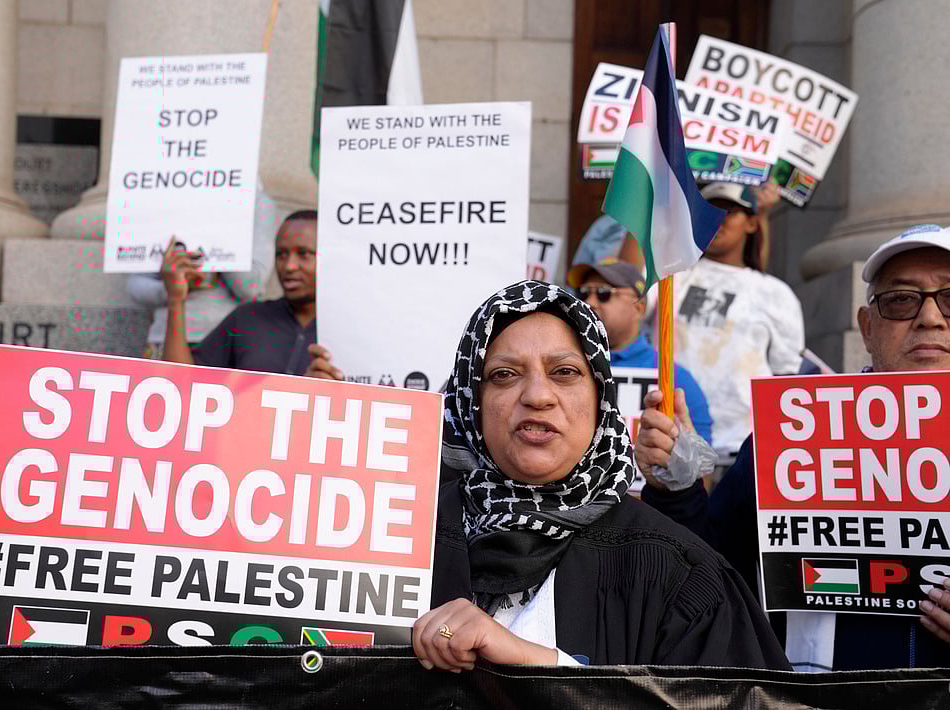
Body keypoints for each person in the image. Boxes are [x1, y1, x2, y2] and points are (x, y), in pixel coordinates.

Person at [310, 281, 789, 669]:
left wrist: (544, 667)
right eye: (503, 375)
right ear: (470, 403)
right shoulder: (390, 539)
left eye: (564, 372)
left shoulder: (678, 573)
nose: (537, 396)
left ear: (600, 397)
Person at [634, 224, 950, 670]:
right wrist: (678, 486)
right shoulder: (792, 433)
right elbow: (706, 581)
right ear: (867, 326)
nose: (930, 318)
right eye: (901, 299)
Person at [626, 182, 804, 460]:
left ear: (752, 223)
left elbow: (788, 380)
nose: (717, 219)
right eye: (708, 211)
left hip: (745, 450)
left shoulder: (777, 294)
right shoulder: (671, 274)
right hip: (671, 443)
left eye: (729, 211)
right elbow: (626, 293)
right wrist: (642, 204)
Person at [567, 257, 712, 445]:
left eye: (604, 293)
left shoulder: (674, 378)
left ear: (639, 307)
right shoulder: (561, 366)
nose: (589, 302)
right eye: (583, 293)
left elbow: (702, 469)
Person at [126, 187, 279, 358]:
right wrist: (172, 288)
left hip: (231, 346)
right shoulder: (162, 195)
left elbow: (250, 287)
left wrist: (217, 238)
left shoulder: (257, 201)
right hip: (166, 339)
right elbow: (135, 285)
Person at [161, 210, 317, 374]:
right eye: (281, 254)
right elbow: (181, 381)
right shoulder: (247, 319)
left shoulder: (343, 333)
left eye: (303, 254)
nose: (289, 266)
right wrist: (176, 299)